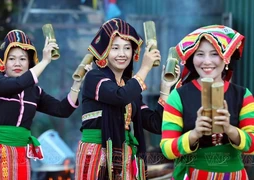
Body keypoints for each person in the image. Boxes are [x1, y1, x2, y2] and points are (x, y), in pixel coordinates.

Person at [74, 18, 180, 180]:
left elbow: (156, 124)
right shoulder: (93, 78)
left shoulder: (131, 90)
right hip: (96, 154)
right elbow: (120, 96)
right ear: (105, 51)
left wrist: (165, 87)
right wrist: (145, 68)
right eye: (115, 48)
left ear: (133, 52)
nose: (122, 54)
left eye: (127, 48)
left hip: (124, 157)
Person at [0, 29, 90, 179]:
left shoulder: (34, 92)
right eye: (12, 59)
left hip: (20, 153)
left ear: (29, 63)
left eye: (22, 59)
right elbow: (19, 83)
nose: (17, 63)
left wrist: (77, 83)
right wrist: (46, 60)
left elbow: (62, 110)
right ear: (4, 62)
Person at [160, 25, 254, 180]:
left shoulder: (243, 95)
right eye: (200, 54)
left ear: (226, 57)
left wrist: (230, 129)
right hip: (193, 175)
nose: (207, 61)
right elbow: (167, 149)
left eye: (214, 54)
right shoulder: (178, 96)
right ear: (192, 58)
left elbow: (252, 146)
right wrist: (195, 133)